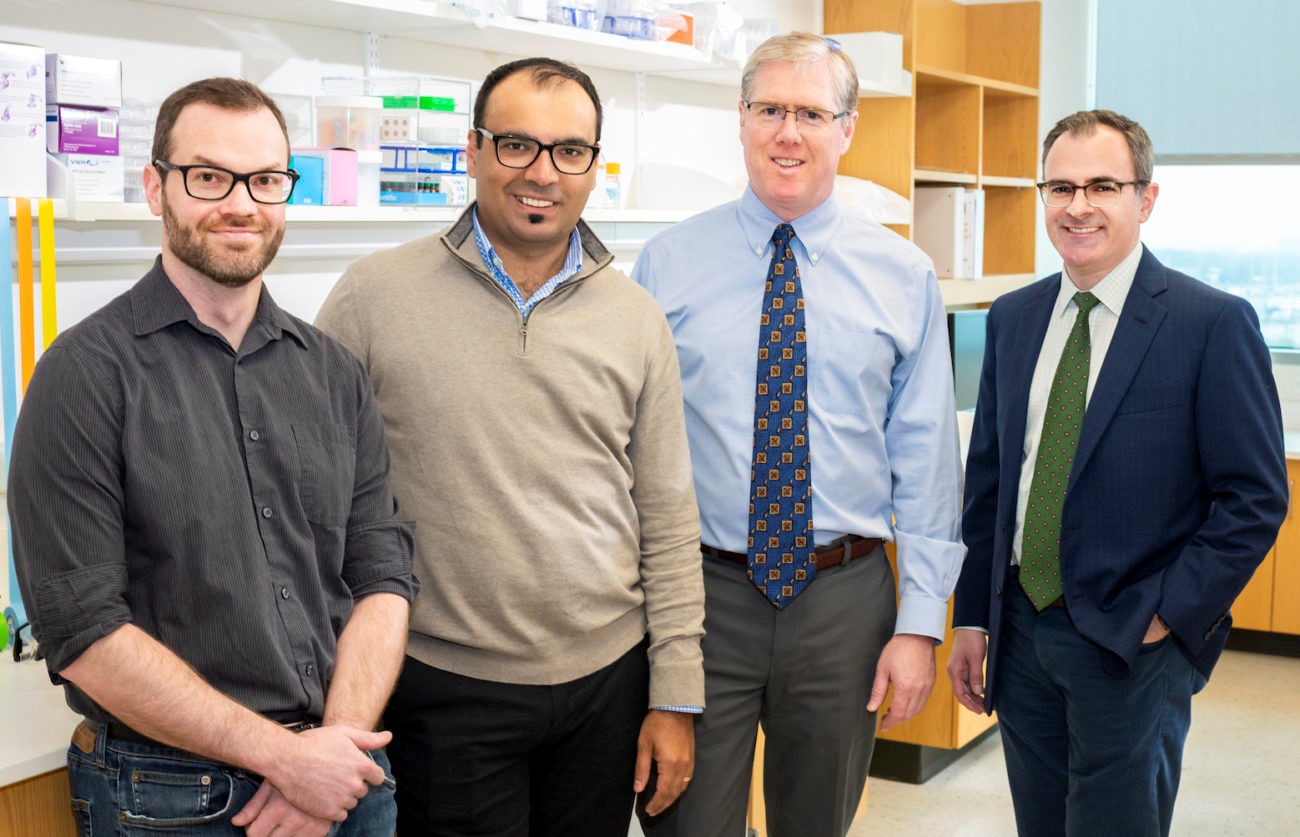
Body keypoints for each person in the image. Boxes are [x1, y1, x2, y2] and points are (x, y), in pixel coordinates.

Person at [8, 77, 418, 837]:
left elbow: (382, 574)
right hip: (170, 795)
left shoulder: (332, 371)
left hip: (347, 777)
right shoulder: (84, 375)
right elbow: (83, 631)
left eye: (265, 180)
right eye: (209, 177)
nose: (241, 203)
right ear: (155, 187)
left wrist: (326, 754)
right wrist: (286, 760)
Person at [315, 57, 706, 837]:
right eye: (517, 145)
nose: (542, 173)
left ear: (594, 167)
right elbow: (312, 502)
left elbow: (665, 514)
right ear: (473, 149)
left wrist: (674, 694)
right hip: (442, 684)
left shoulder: (635, 317)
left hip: (607, 683)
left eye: (570, 151)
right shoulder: (372, 296)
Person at [631, 32, 965, 837]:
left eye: (811, 112)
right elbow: (628, 450)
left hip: (842, 601)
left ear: (847, 128)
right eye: (770, 109)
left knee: (816, 822)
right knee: (683, 819)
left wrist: (919, 625)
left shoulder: (903, 273)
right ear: (741, 120)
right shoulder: (666, 264)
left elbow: (926, 459)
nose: (789, 132)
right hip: (700, 598)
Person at [948, 109, 1288, 837]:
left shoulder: (1210, 322)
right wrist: (973, 616)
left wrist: (1167, 615)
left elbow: (1254, 497)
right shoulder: (1011, 318)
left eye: (1103, 185)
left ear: (1146, 198)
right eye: (1061, 186)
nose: (1078, 205)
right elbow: (990, 487)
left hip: (1133, 645)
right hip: (1021, 632)